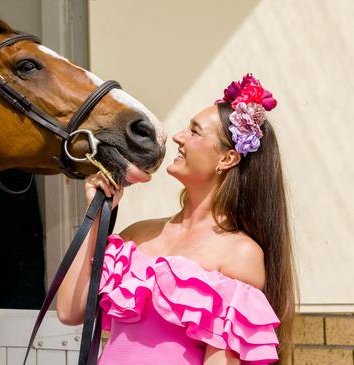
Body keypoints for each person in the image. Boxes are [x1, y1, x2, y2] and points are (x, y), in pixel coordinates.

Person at [56, 74, 296, 365]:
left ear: (227, 159)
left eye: (195, 132)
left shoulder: (239, 254)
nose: (178, 137)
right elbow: (70, 311)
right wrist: (95, 213)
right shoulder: (138, 235)